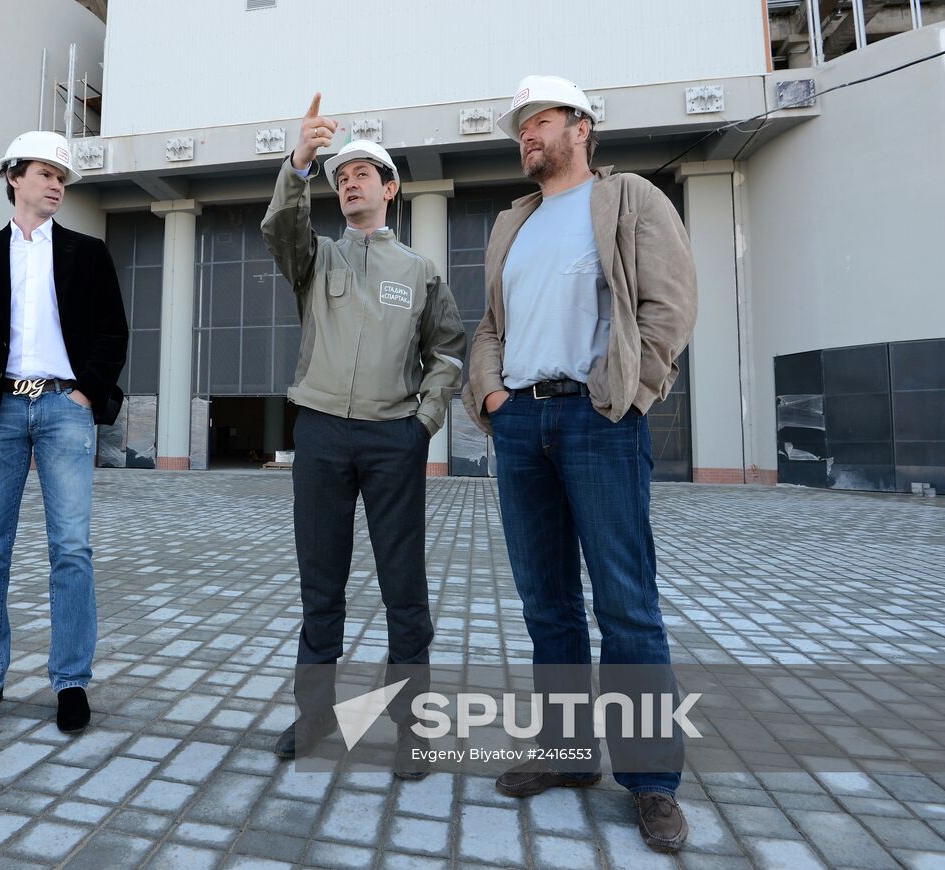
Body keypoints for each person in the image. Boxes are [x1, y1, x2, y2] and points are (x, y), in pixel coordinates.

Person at [461, 76, 697, 852]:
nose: (527, 135)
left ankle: (653, 781)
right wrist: (492, 397)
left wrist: (632, 391)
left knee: (625, 603)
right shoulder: (512, 222)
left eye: (541, 120)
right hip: (523, 423)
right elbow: (492, 323)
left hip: (598, 419)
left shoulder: (628, 198)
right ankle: (565, 755)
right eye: (520, 127)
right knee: (547, 603)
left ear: (582, 126)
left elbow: (670, 302)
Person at [263, 95, 467, 779]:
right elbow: (279, 228)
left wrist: (424, 424)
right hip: (319, 434)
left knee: (404, 588)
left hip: (392, 439)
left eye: (362, 173)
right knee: (321, 587)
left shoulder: (419, 271)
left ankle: (414, 729)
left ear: (390, 188)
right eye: (340, 174)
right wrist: (300, 161)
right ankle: (315, 715)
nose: (348, 181)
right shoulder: (315, 259)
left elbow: (448, 353)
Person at [0, 130, 127, 735]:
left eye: (62, 178)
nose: (57, 185)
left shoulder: (87, 253)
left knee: (72, 548)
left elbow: (112, 332)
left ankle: (70, 684)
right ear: (13, 177)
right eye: (45, 174)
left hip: (65, 406)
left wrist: (86, 392)